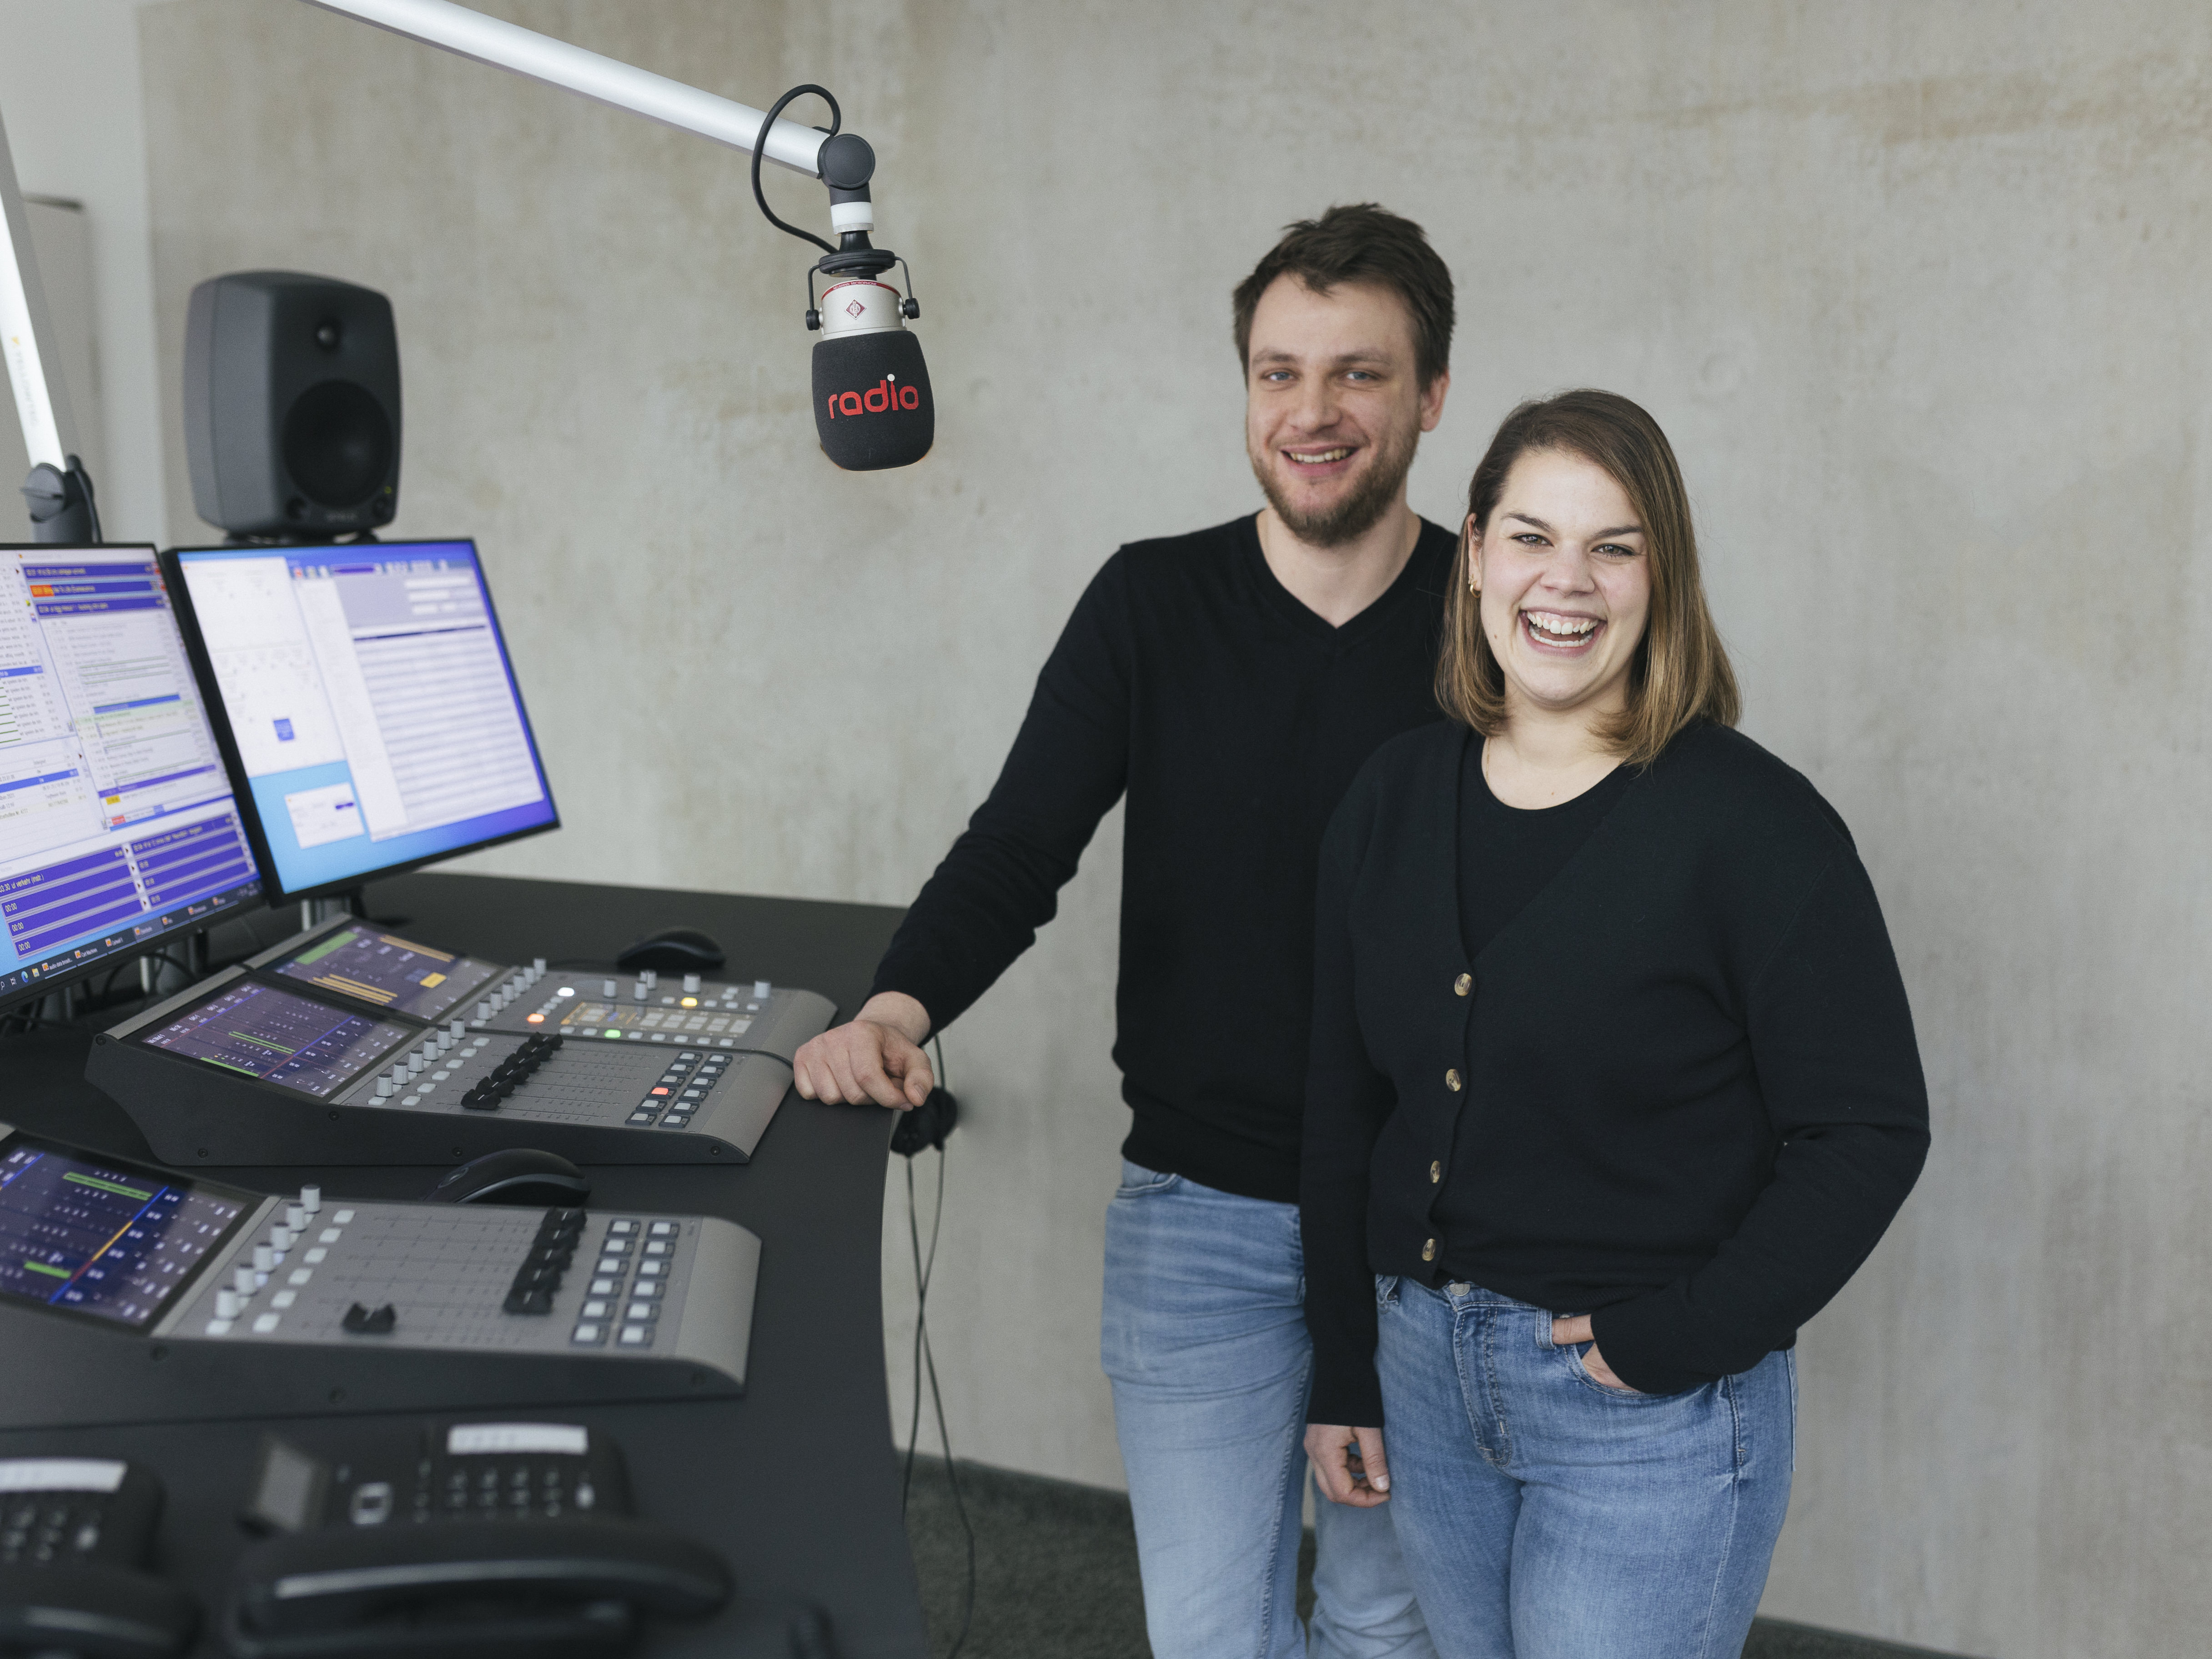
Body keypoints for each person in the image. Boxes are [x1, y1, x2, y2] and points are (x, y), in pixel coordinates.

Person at [792, 204, 1454, 1659]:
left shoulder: (1491, 618)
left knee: (1386, 1628)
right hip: (1199, 1219)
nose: (1313, 412)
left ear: (1430, 397)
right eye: (1279, 374)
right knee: (1215, 1642)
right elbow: (1021, 843)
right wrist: (898, 1010)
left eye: (1357, 373)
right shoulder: (1152, 601)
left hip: (1429, 1228)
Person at [1300, 389, 1930, 1658]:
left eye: (1614, 546)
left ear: (1663, 576)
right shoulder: (1391, 798)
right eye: (1531, 537)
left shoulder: (1755, 828)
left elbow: (1869, 1127)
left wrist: (1679, 1340)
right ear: (1474, 552)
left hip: (1649, 1412)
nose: (1565, 582)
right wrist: (1349, 1365)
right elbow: (1344, 1101)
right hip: (1426, 1381)